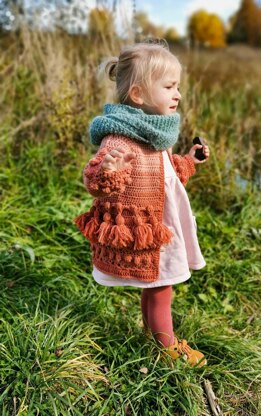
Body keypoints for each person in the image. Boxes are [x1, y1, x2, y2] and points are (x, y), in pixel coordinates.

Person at [74, 40, 210, 367]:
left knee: (156, 289)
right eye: (169, 86)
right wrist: (108, 171)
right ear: (138, 95)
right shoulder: (120, 139)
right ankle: (168, 350)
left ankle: (153, 336)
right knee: (162, 290)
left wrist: (189, 160)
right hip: (147, 232)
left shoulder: (152, 133)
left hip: (161, 226)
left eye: (178, 86)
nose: (177, 94)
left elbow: (165, 174)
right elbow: (96, 182)